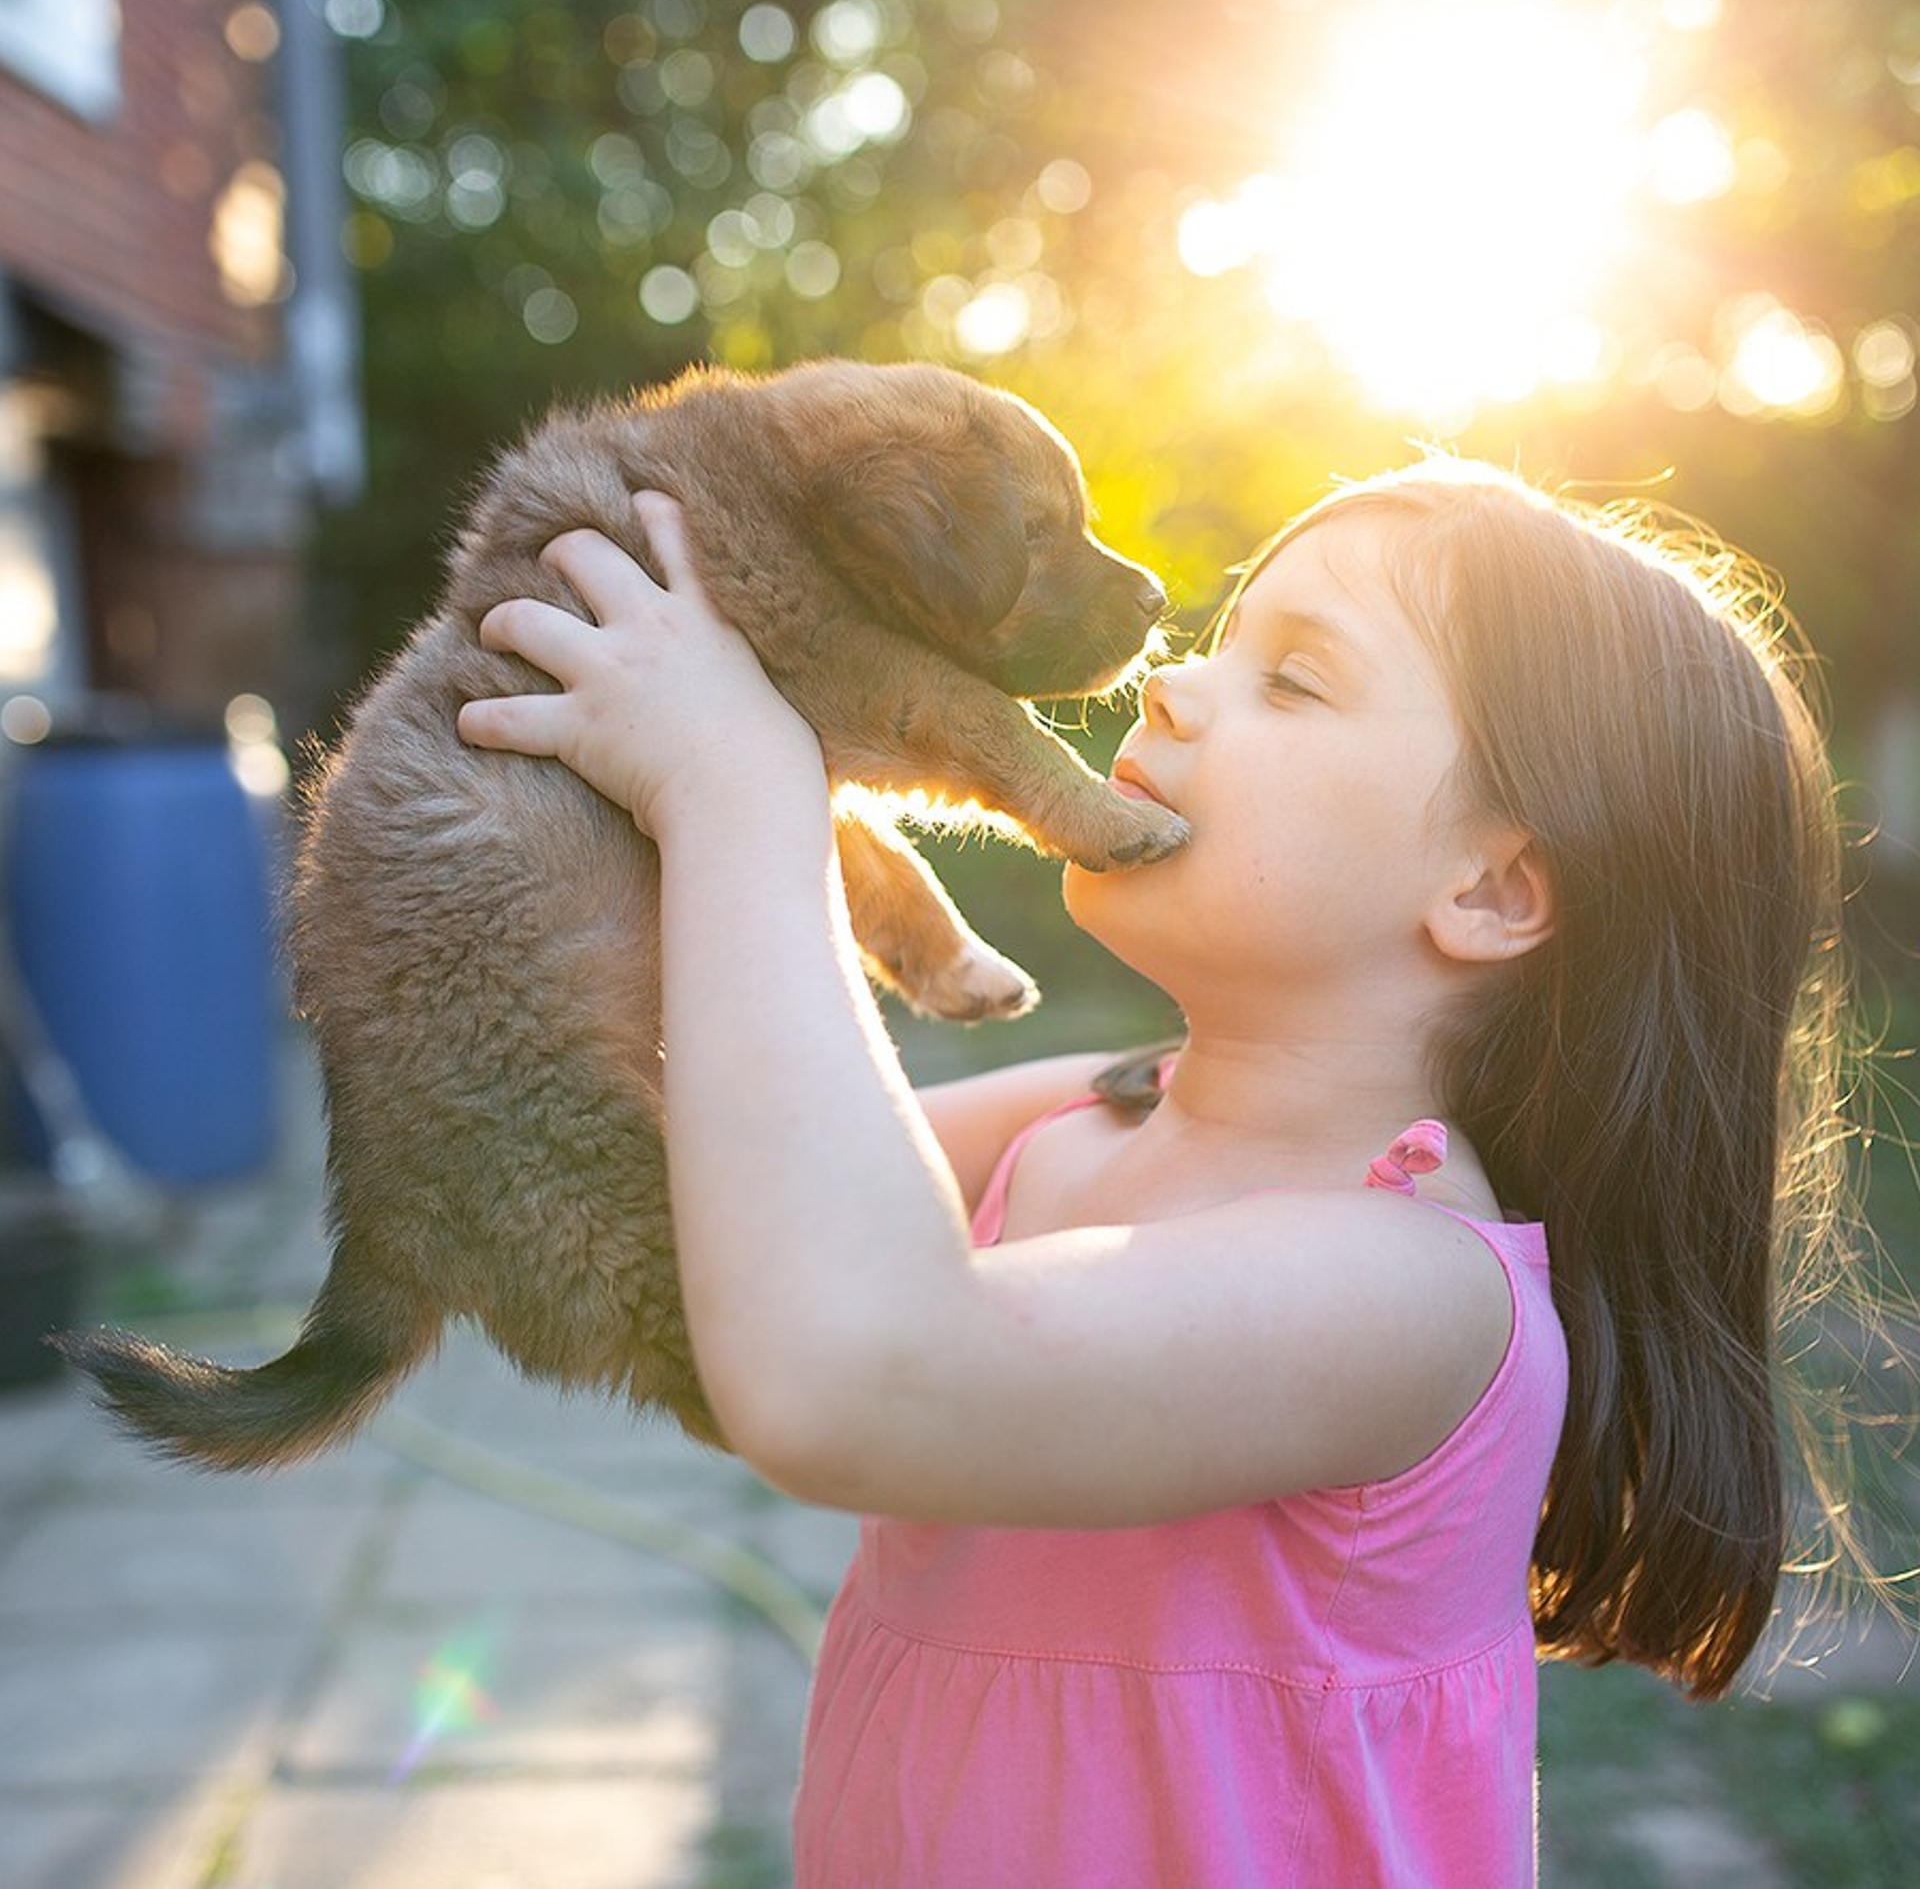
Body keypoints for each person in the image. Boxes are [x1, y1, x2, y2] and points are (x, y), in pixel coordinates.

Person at [455, 454, 1852, 1885]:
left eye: (1295, 679)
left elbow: (848, 1371)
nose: (1173, 684)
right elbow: (689, 1195)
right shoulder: (1087, 1118)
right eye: (1223, 640)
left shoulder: (1413, 1290)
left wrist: (735, 796)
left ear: (1492, 891)